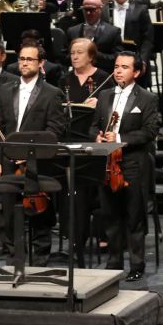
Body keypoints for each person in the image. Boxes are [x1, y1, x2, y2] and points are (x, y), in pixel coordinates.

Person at [0, 43, 66, 267]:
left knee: (40, 215)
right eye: (21, 58)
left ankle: (40, 260)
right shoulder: (4, 91)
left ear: (41, 63)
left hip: (38, 163)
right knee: (9, 213)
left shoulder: (52, 93)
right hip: (9, 161)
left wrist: (31, 153)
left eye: (29, 59)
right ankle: (14, 258)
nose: (24, 63)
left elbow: (54, 131)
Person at [91, 52, 159, 281]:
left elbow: (149, 132)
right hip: (108, 163)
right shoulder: (104, 96)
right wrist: (97, 137)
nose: (118, 71)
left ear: (137, 72)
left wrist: (119, 137)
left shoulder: (147, 98)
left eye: (124, 67)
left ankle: (137, 264)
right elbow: (93, 126)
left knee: (134, 216)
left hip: (132, 163)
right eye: (116, 66)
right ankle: (114, 260)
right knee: (110, 213)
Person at [62, 38, 110, 266]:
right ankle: (74, 240)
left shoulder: (103, 80)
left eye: (80, 52)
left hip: (93, 141)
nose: (74, 56)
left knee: (93, 192)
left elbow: (110, 108)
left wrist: (98, 104)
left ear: (91, 56)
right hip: (69, 139)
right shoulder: (65, 79)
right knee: (71, 194)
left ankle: (101, 235)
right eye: (72, 52)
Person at [66, 0, 123, 73]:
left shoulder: (113, 31)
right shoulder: (72, 31)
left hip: (102, 75)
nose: (88, 13)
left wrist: (94, 55)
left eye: (92, 10)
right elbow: (65, 56)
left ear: (100, 10)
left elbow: (118, 58)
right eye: (86, 9)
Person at [105, 0, 154, 68]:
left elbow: (147, 38)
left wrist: (143, 60)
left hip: (134, 56)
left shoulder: (140, 9)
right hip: (110, 58)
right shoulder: (104, 9)